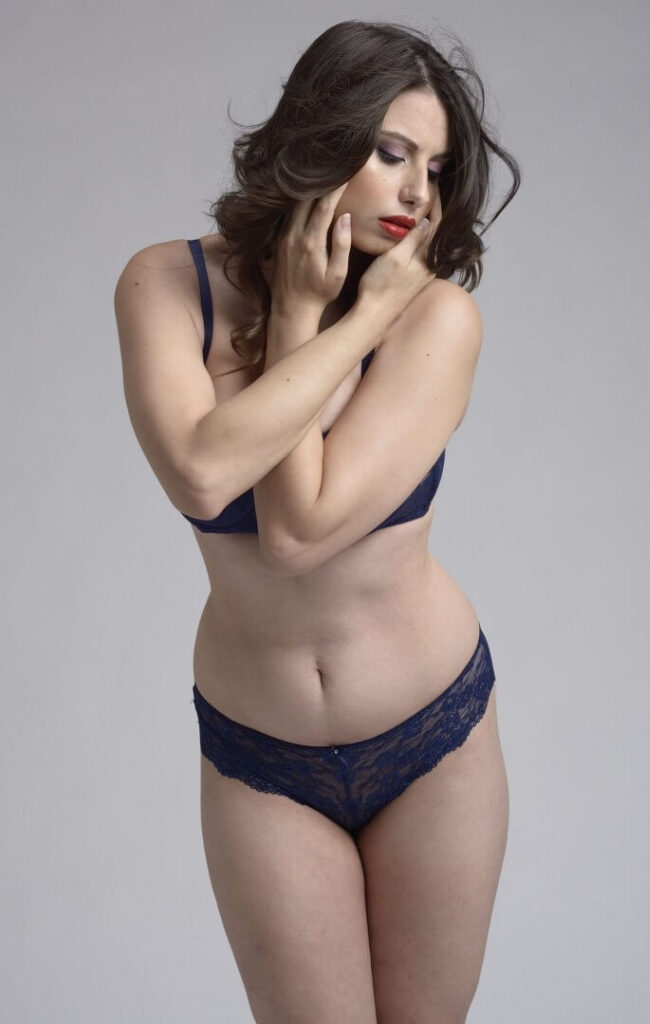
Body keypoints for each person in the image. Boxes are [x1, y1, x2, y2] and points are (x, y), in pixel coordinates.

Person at [114, 18, 520, 1024]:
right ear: (320, 134)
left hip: (430, 733)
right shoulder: (167, 286)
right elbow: (203, 474)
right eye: (391, 153)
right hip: (261, 754)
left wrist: (350, 316)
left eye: (436, 168)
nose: (418, 193)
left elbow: (298, 531)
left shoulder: (433, 320)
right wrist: (307, 314)